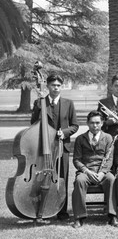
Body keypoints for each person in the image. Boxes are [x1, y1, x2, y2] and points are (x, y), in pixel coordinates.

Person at [31, 74, 79, 220]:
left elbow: (75, 126)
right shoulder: (40, 102)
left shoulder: (68, 103)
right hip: (43, 149)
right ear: (48, 86)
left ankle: (62, 211)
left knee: (61, 179)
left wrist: (64, 132)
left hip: (61, 147)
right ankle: (42, 209)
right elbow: (33, 124)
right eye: (53, 85)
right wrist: (39, 107)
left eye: (58, 85)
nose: (56, 88)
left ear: (61, 87)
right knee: (40, 179)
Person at [71, 111, 118, 228]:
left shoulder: (108, 138)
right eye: (92, 123)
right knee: (79, 181)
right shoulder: (80, 139)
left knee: (111, 179)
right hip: (86, 171)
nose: (95, 125)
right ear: (87, 123)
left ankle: (112, 215)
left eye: (97, 123)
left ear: (102, 123)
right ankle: (79, 217)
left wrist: (102, 173)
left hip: (103, 171)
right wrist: (86, 171)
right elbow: (76, 159)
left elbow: (110, 159)